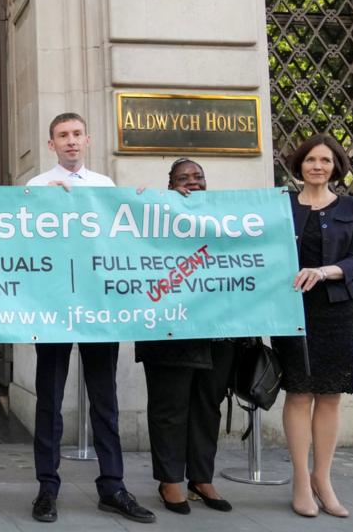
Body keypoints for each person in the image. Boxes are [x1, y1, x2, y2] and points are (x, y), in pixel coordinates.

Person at [25, 112, 155, 524]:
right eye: (63, 136)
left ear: (88, 139)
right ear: (51, 145)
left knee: (105, 400)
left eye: (77, 134)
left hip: (99, 309)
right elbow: (24, 242)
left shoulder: (105, 187)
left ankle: (113, 486)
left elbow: (119, 240)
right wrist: (49, 204)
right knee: (49, 399)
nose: (71, 141)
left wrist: (139, 206)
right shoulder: (35, 186)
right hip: (55, 308)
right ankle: (47, 487)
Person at [273, 134, 353, 518]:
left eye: (325, 160)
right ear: (299, 165)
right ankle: (300, 481)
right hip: (293, 312)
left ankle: (322, 479)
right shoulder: (281, 206)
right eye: (311, 159)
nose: (317, 165)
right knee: (298, 394)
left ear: (336, 166)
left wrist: (325, 271)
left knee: (330, 396)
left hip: (337, 312)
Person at [134, 158, 234, 515]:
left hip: (217, 332)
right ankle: (170, 480)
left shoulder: (226, 219)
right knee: (169, 408)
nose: (192, 182)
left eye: (198, 177)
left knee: (208, 406)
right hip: (169, 330)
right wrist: (144, 203)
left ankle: (202, 476)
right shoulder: (154, 219)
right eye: (183, 178)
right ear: (170, 183)